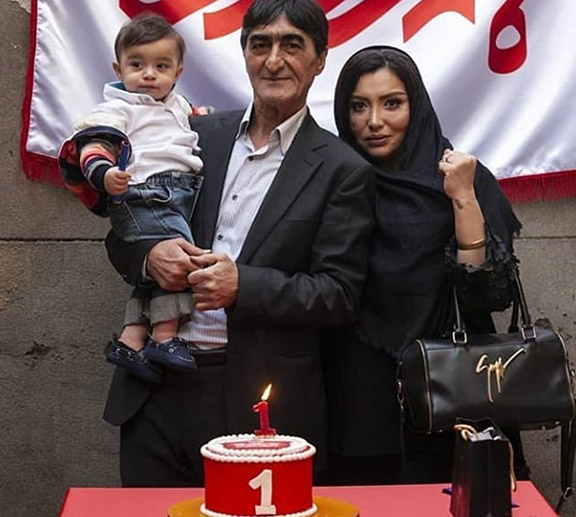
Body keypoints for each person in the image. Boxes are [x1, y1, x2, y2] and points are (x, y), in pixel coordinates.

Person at [102, 0, 374, 487]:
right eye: (260, 44)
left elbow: (339, 294)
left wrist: (241, 286)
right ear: (244, 53)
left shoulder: (342, 169)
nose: (274, 60)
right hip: (156, 390)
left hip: (256, 399)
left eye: (292, 45)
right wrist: (149, 256)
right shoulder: (191, 134)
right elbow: (123, 231)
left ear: (319, 60)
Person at [323, 45, 529, 485]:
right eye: (358, 106)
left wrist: (463, 197)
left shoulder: (463, 177)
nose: (374, 121)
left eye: (391, 103)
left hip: (457, 388)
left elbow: (486, 294)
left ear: (416, 106)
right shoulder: (332, 180)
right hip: (359, 395)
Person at [65, 13, 205, 382]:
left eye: (161, 66)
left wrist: (202, 115)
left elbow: (190, 119)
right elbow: (93, 145)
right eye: (137, 65)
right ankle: (165, 337)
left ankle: (131, 339)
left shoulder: (177, 105)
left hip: (175, 192)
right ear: (118, 68)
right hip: (144, 193)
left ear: (177, 72)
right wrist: (105, 174)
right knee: (179, 261)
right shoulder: (117, 107)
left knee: (154, 274)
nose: (149, 75)